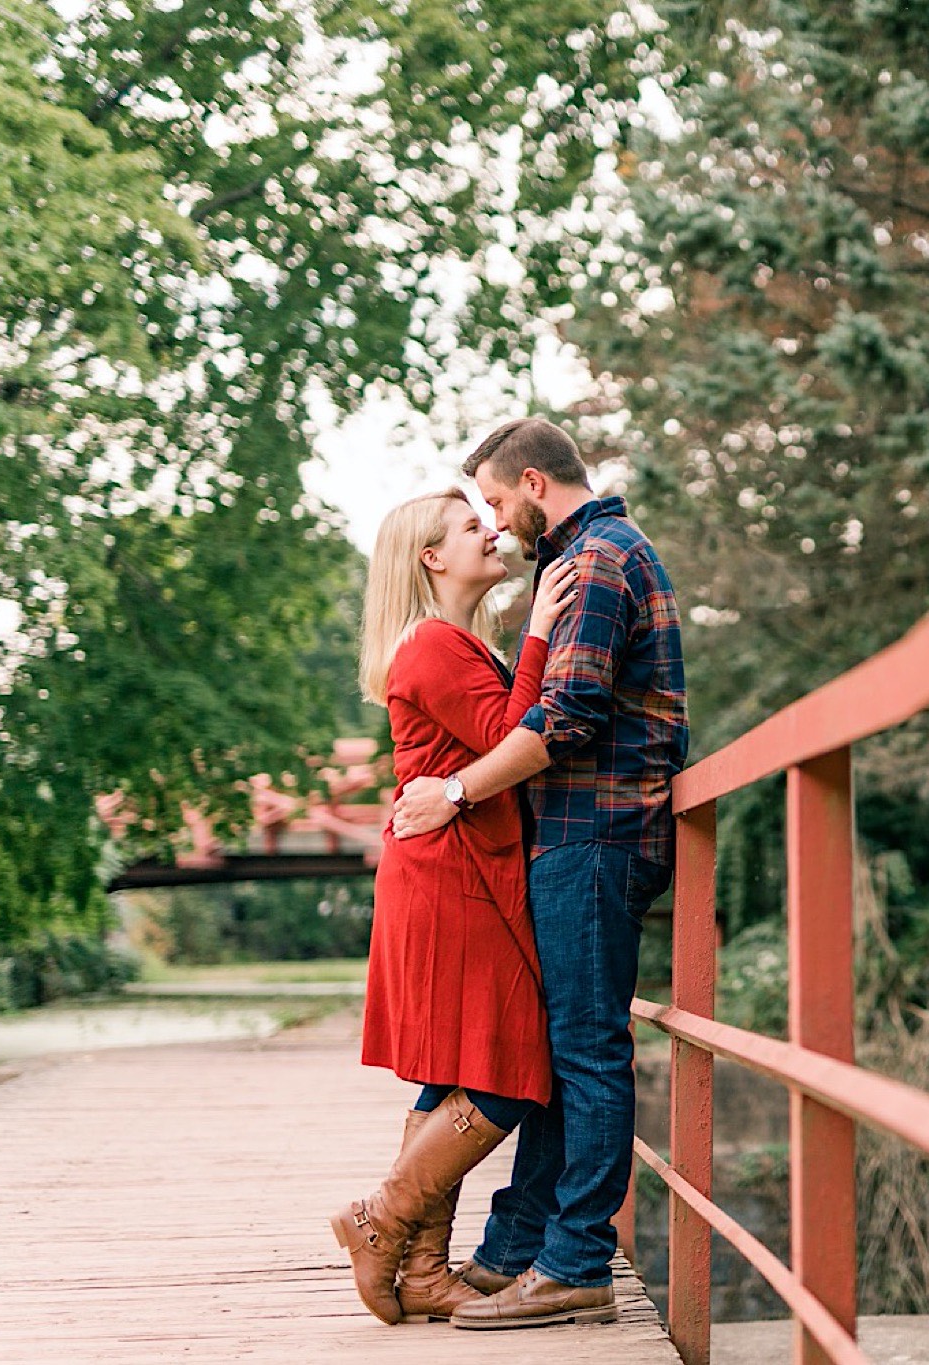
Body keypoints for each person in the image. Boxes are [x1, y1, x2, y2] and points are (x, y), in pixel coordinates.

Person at [390, 417, 687, 1331]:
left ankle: (572, 1260)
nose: (493, 517)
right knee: (569, 1054)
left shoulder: (597, 560)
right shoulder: (585, 560)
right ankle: (521, 1246)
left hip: (594, 837)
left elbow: (564, 721)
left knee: (587, 1052)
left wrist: (455, 791)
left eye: (492, 499)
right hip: (578, 837)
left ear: (531, 480)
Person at [332, 488, 582, 1325]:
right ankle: (381, 1220)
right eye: (472, 526)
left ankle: (425, 1270)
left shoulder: (449, 640)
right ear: (432, 557)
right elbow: (517, 733)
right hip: (452, 875)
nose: (491, 530)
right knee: (509, 1066)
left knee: (452, 1066)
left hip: (453, 865)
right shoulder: (435, 646)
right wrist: (543, 627)